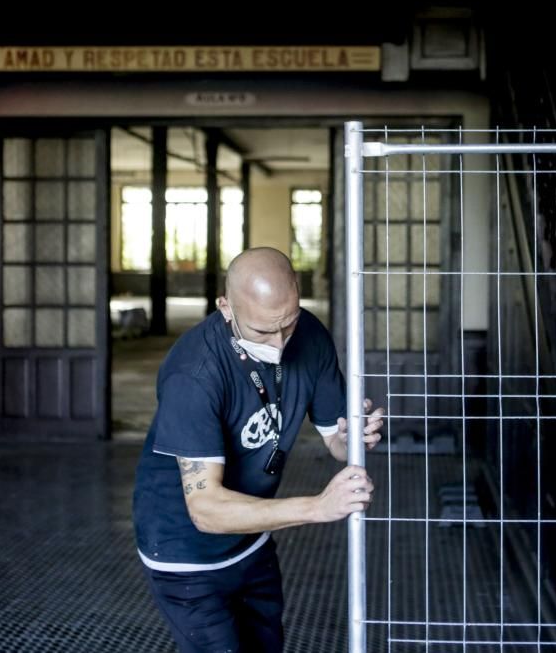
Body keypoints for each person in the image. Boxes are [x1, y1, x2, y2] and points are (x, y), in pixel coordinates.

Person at [132, 247, 383, 652]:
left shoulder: (309, 335)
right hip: (186, 552)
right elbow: (207, 510)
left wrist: (355, 438)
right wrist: (318, 507)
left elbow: (335, 441)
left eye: (289, 322)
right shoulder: (193, 374)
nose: (281, 344)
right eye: (264, 332)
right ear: (226, 307)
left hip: (251, 538)